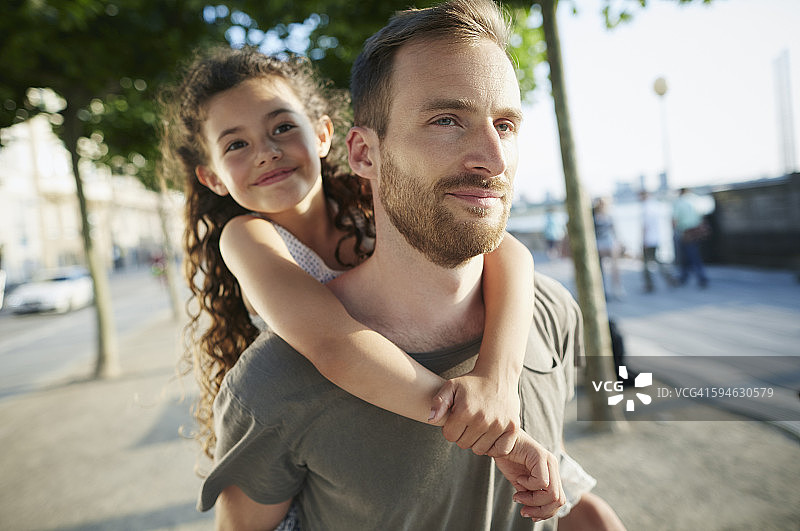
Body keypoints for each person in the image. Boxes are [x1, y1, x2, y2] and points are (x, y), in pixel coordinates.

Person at [195, 1, 623, 528]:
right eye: (446, 120)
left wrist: (497, 378)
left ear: (325, 135)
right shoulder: (251, 243)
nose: (267, 152)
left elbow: (508, 249)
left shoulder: (371, 205)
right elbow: (334, 344)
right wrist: (482, 425)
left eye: (506, 124)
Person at [672, 187, 709, 288]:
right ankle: (696, 277)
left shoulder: (679, 202)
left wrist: (674, 232)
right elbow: (702, 215)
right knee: (694, 255)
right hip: (696, 232)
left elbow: (674, 220)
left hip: (685, 232)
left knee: (686, 256)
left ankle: (688, 277)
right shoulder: (696, 200)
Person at [639, 190, 676, 292]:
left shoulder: (645, 207)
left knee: (646, 264)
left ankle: (649, 285)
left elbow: (645, 226)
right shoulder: (657, 206)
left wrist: (643, 241)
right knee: (657, 260)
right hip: (658, 238)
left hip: (649, 240)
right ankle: (669, 277)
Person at [592, 197, 625, 300]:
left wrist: (619, 242)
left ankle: (617, 289)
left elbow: (614, 231)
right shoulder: (593, 217)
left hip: (609, 242)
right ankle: (603, 290)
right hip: (598, 243)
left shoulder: (608, 216)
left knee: (615, 267)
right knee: (599, 268)